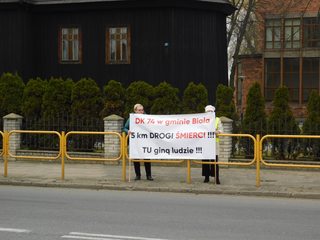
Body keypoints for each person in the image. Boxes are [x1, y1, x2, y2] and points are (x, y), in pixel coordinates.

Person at [123, 103, 153, 181]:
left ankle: (149, 175)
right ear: (135, 110)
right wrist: (128, 131)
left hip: (145, 141)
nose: (141, 112)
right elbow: (124, 128)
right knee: (136, 158)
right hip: (135, 141)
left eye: (142, 110)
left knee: (147, 158)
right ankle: (138, 175)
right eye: (139, 110)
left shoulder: (147, 118)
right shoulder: (131, 119)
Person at [202, 105, 223, 184]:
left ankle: (216, 178)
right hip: (205, 143)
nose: (209, 113)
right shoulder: (202, 120)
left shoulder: (217, 120)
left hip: (214, 143)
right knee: (205, 160)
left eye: (211, 111)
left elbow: (221, 131)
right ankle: (206, 177)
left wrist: (216, 132)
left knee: (215, 161)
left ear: (213, 112)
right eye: (208, 112)